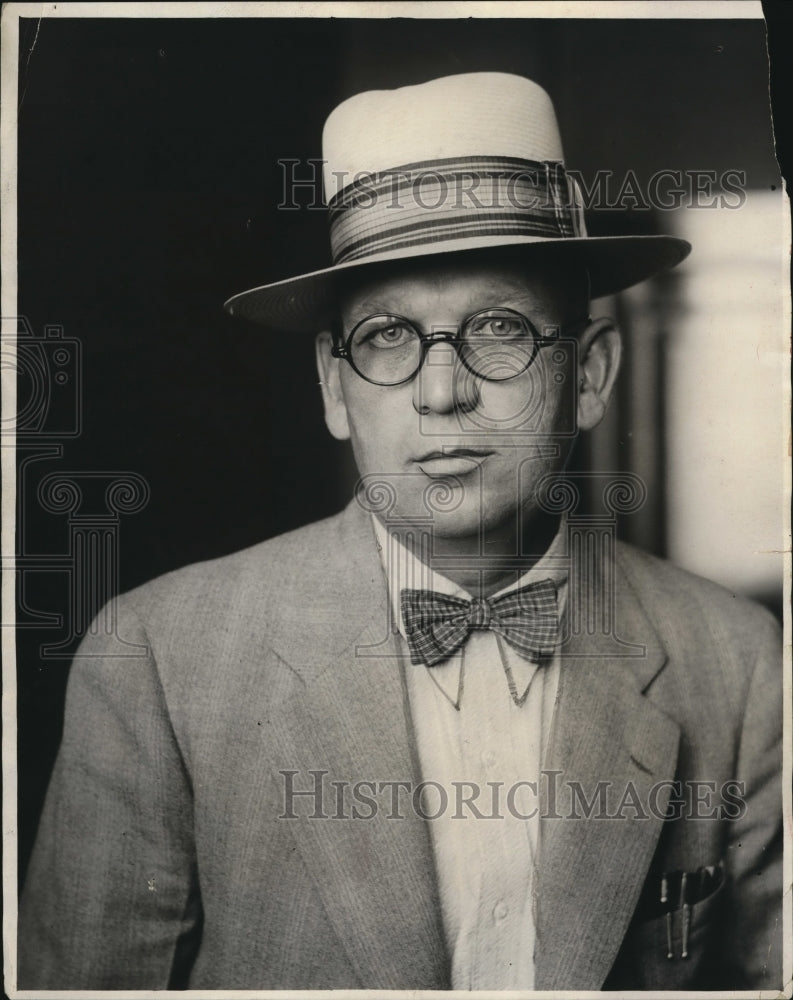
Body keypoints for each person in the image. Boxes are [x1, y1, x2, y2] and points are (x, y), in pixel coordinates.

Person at [18, 72, 782, 992]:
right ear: (334, 389)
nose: (439, 391)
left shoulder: (737, 663)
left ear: (589, 374)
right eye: (386, 336)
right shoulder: (160, 658)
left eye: (497, 329)